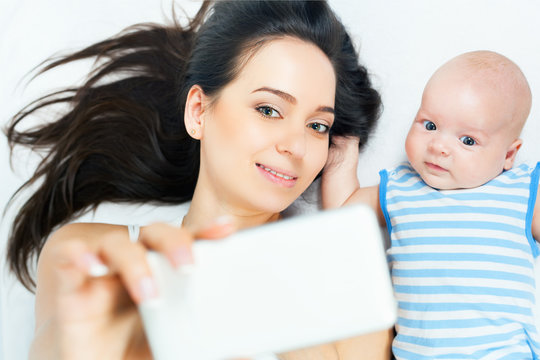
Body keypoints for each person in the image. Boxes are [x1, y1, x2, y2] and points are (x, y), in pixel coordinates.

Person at [4, 1, 393, 359]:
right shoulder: (92, 257)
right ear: (198, 111)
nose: (296, 145)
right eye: (269, 109)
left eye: (317, 125)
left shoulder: (350, 289)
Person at [322, 50, 540, 358]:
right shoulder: (401, 187)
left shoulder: (520, 190)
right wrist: (344, 138)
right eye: (429, 125)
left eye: (467, 141)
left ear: (508, 155)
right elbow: (342, 212)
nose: (438, 146)